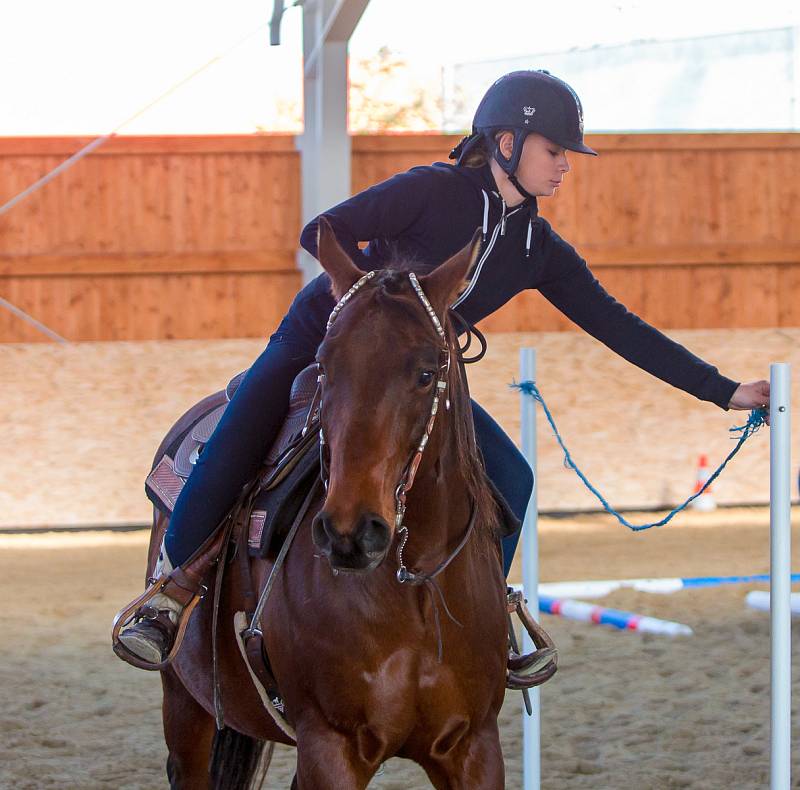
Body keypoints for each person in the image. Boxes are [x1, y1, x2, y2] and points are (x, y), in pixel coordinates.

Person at [116, 69, 770, 676]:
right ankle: (171, 592)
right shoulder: (430, 190)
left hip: (413, 374)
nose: (566, 164)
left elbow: (621, 327)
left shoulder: (535, 246)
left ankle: (490, 617)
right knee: (243, 429)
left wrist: (726, 392)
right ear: (507, 143)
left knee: (512, 478)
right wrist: (384, 299)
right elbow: (323, 230)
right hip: (323, 337)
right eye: (555, 150)